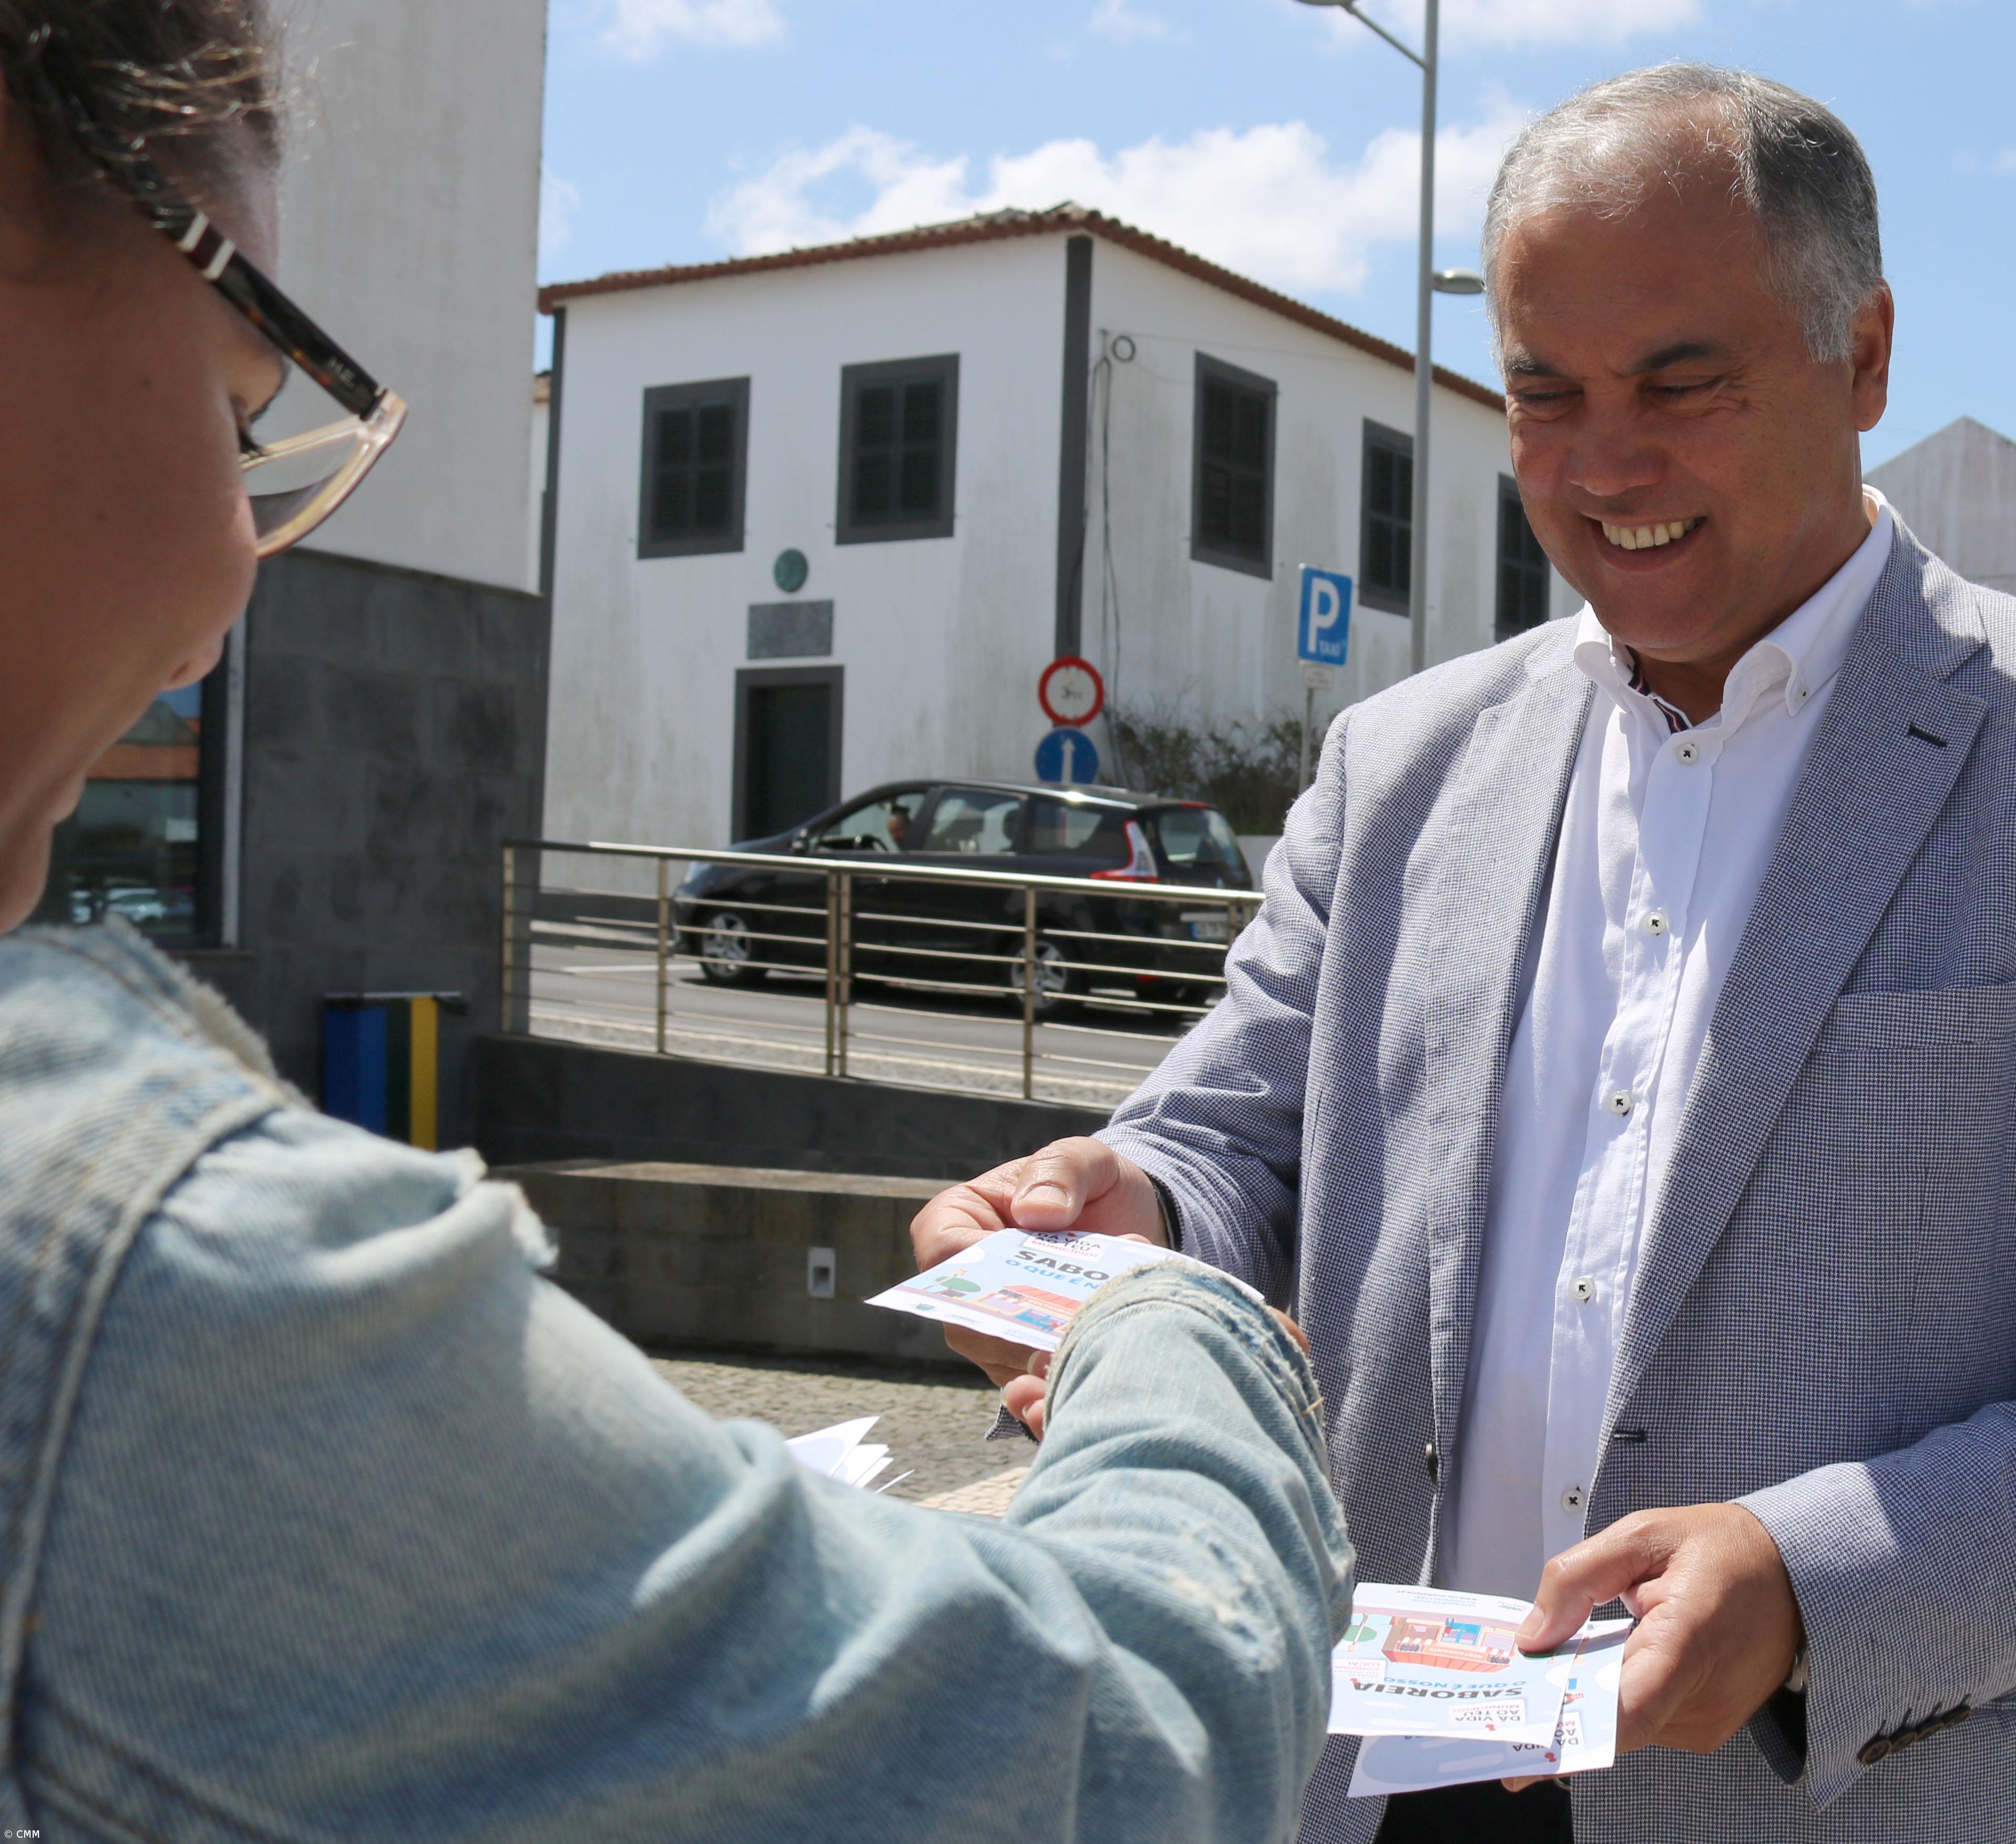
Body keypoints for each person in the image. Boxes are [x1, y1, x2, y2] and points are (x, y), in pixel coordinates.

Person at [915, 63, 2016, 1844]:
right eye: (1541, 394)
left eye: (1679, 383)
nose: (1601, 465)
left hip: (1827, 1794)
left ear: (1864, 358)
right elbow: (1236, 1136)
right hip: (1367, 1771)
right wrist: (1127, 1206)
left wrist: (1811, 1583)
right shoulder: (1402, 763)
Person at [0, 4, 1349, 1837]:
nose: (248, 554)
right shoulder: (113, 1253)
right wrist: (1180, 1318)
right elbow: (1115, 1750)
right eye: (247, 407)